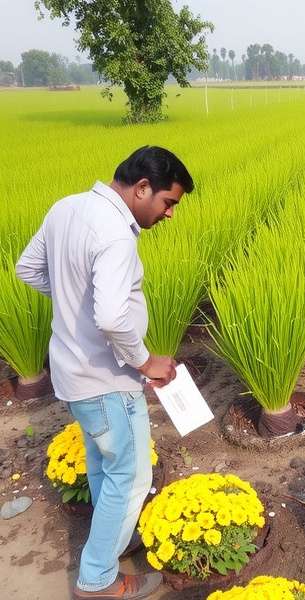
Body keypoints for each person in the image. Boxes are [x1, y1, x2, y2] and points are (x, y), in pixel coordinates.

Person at [16, 146, 194, 599]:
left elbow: (28, 268)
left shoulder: (66, 208)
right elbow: (114, 318)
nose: (169, 214)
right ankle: (98, 579)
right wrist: (144, 360)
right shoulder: (116, 234)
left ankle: (111, 536)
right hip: (107, 382)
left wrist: (77, 300)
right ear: (141, 188)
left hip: (73, 376)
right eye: (168, 202)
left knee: (102, 464)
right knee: (130, 477)